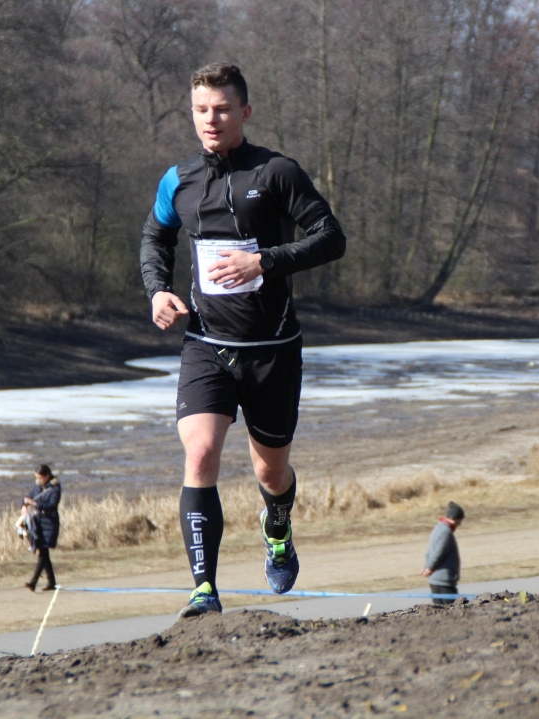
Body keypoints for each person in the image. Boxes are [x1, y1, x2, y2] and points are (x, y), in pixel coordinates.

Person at [140, 63, 346, 619]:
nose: (211, 119)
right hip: (206, 343)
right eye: (201, 110)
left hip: (272, 350)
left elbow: (331, 238)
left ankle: (277, 528)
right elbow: (156, 237)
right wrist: (157, 290)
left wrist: (264, 261)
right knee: (200, 452)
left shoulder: (277, 172)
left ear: (245, 112)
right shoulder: (178, 180)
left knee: (270, 473)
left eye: (223, 109)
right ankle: (204, 589)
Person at [24, 464, 61, 592]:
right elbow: (28, 497)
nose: (38, 480)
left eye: (40, 478)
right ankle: (51, 582)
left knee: (43, 552)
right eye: (37, 477)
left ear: (47, 476)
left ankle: (33, 582)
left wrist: (35, 503)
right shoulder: (38, 487)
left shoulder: (55, 488)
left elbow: (52, 505)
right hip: (39, 522)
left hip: (50, 523)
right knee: (43, 552)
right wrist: (24, 505)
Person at [421, 502, 464, 605]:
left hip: (437, 580)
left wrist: (427, 567)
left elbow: (429, 552)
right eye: (459, 521)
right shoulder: (446, 531)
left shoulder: (438, 528)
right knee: (451, 610)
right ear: (453, 518)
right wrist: (429, 568)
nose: (460, 524)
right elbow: (438, 553)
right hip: (443, 581)